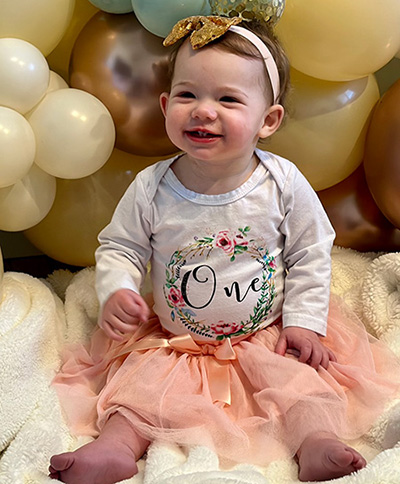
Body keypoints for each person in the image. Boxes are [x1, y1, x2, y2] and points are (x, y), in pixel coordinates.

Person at [49, 15, 400, 484]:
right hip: (178, 342)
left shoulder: (281, 184)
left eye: (228, 99)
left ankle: (317, 443)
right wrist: (116, 289)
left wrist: (304, 323)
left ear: (267, 120)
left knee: (302, 387)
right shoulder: (152, 187)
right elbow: (121, 246)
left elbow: (310, 253)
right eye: (187, 95)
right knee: (136, 390)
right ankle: (115, 446)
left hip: (267, 333)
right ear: (164, 103)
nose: (203, 110)